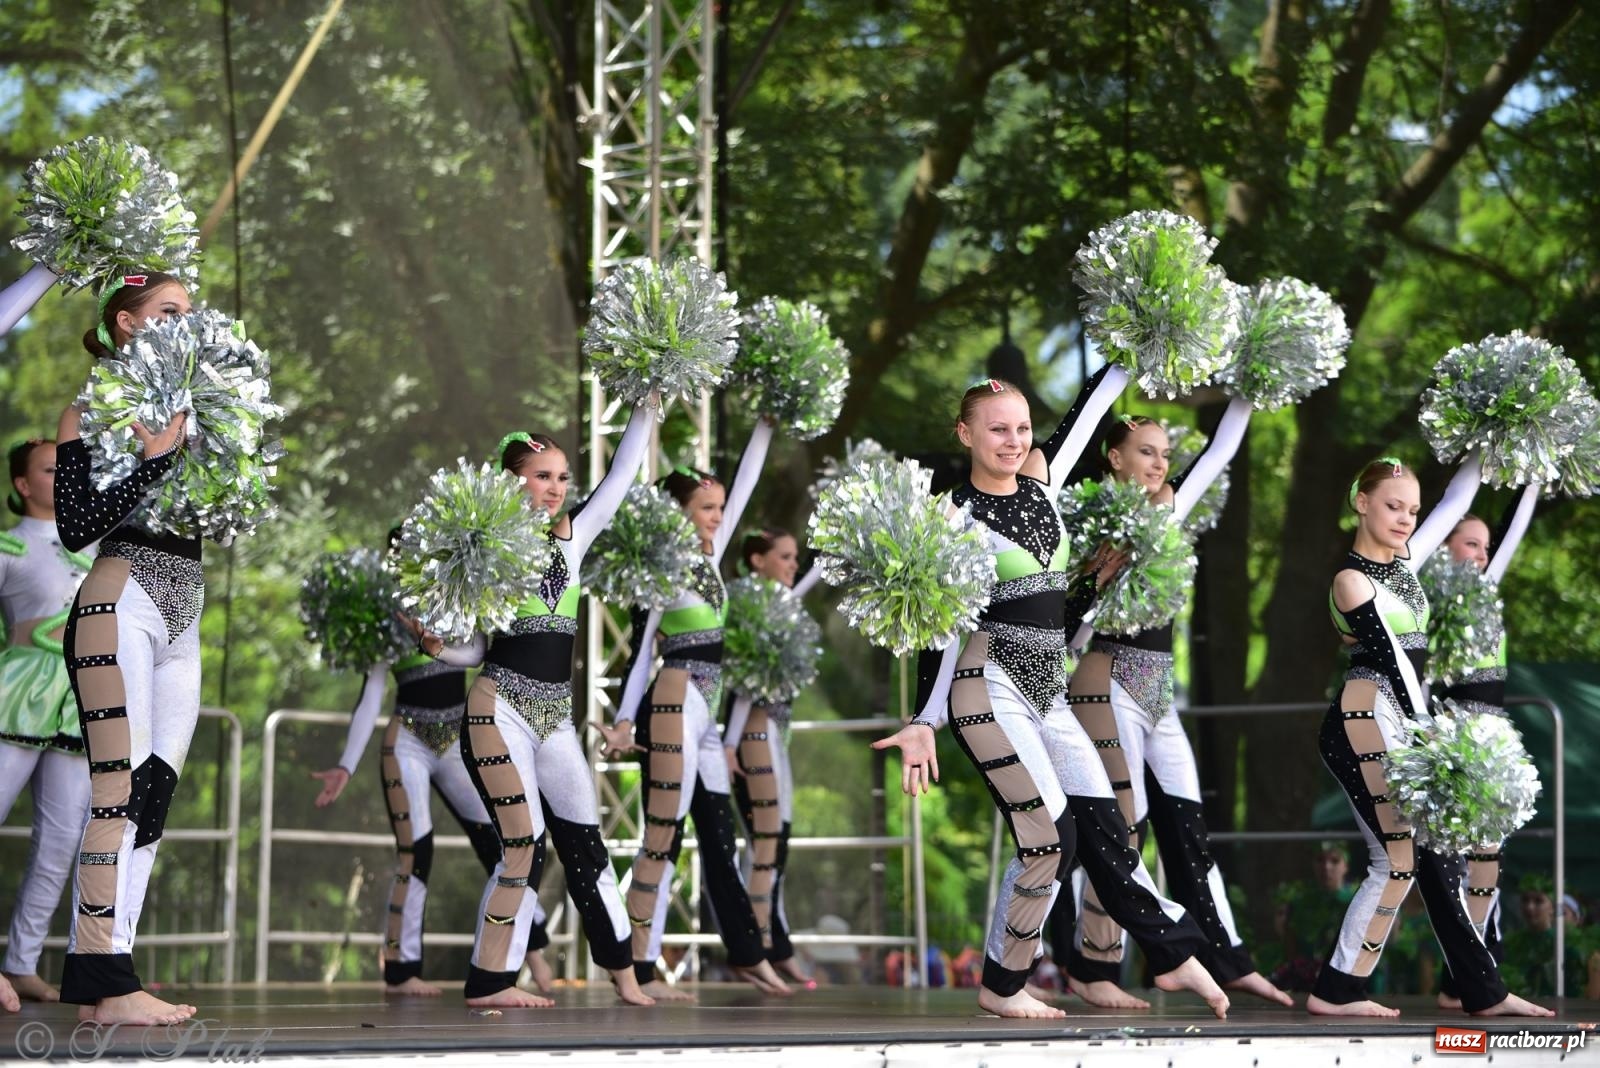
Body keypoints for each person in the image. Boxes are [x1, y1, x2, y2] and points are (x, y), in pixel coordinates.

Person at [873, 373, 1227, 1020]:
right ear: (965, 433)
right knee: (1049, 837)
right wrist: (925, 718)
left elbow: (1086, 414)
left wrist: (1131, 346)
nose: (1013, 441)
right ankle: (1004, 983)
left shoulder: (1041, 488)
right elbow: (944, 630)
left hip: (1051, 689)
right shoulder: (952, 514)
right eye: (997, 429)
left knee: (1110, 828)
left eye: (1023, 429)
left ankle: (1171, 956)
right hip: (987, 685)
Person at [1057, 404, 1291, 1008]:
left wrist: (1249, 387)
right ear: (1115, 458)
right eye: (1146, 452)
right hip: (1105, 682)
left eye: (1165, 453)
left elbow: (1218, 453)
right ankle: (1095, 967)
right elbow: (1067, 621)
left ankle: (1227, 960)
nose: (1160, 463)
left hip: (1160, 692)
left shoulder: (1165, 509)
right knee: (1121, 829)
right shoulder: (1086, 520)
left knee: (1188, 828)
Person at [1307, 455, 1548, 1018]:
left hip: (1399, 721)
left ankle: (1479, 990)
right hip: (1363, 716)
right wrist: (1435, 744)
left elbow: (1458, 499)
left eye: (1413, 510)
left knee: (1426, 857)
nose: (1406, 519)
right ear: (1361, 502)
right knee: (1395, 859)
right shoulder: (1350, 580)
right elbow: (1393, 663)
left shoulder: (1406, 563)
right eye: (1393, 506)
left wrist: (1490, 437)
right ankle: (1338, 990)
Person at [455, 401, 660, 1009]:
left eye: (564, 477)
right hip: (499, 710)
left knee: (587, 848)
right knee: (524, 843)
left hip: (555, 719)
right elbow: (471, 650)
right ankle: (490, 981)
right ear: (512, 479)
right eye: (544, 475)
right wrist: (435, 641)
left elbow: (622, 473)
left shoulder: (572, 537)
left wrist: (649, 397)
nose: (557, 487)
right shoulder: (482, 546)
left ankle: (625, 976)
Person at [603, 418, 796, 997]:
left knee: (718, 834)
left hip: (706, 714)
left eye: (718, 507)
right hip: (673, 701)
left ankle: (746, 951)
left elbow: (746, 482)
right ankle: (637, 967)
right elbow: (639, 656)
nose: (716, 515)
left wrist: (765, 421)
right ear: (679, 513)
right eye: (705, 507)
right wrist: (621, 720)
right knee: (662, 835)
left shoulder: (711, 562)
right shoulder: (659, 575)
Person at [309, 542, 554, 997]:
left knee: (504, 842)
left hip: (457, 740)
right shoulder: (387, 619)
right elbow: (371, 696)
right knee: (416, 853)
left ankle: (531, 953)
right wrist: (346, 764)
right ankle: (401, 971)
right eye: (401, 558)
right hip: (408, 743)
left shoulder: (460, 603)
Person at [54, 272, 198, 1025]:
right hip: (122, 600)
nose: (187, 321)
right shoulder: (89, 410)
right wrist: (151, 461)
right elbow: (75, 524)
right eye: (170, 311)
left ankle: (106, 981)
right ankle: (105, 977)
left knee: (153, 796)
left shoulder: (201, 403)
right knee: (119, 786)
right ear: (127, 324)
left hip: (185, 616)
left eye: (190, 310)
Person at [1429, 487, 1538, 1009]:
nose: (1484, 555)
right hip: (1455, 737)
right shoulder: (1433, 596)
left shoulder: (1484, 592)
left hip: (1492, 736)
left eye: (1485, 547)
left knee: (1486, 863)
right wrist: (1532, 473)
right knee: (1452, 864)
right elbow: (1518, 523)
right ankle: (1466, 976)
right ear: (1442, 546)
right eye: (1471, 543)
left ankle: (1466, 977)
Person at [0, 439, 94, 1010]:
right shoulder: (7, 546)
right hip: (17, 696)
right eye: (49, 468)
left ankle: (22, 962)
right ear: (22, 485)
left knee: (61, 837)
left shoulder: (101, 542)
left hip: (80, 700)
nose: (62, 476)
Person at [721, 527, 823, 985]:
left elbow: (807, 582)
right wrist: (729, 743)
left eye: (795, 556)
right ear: (758, 560)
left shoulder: (774, 603)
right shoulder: (748, 603)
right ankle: (757, 946)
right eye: (784, 556)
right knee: (766, 840)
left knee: (776, 836)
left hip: (771, 730)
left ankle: (770, 944)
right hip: (753, 730)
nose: (792, 564)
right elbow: (747, 679)